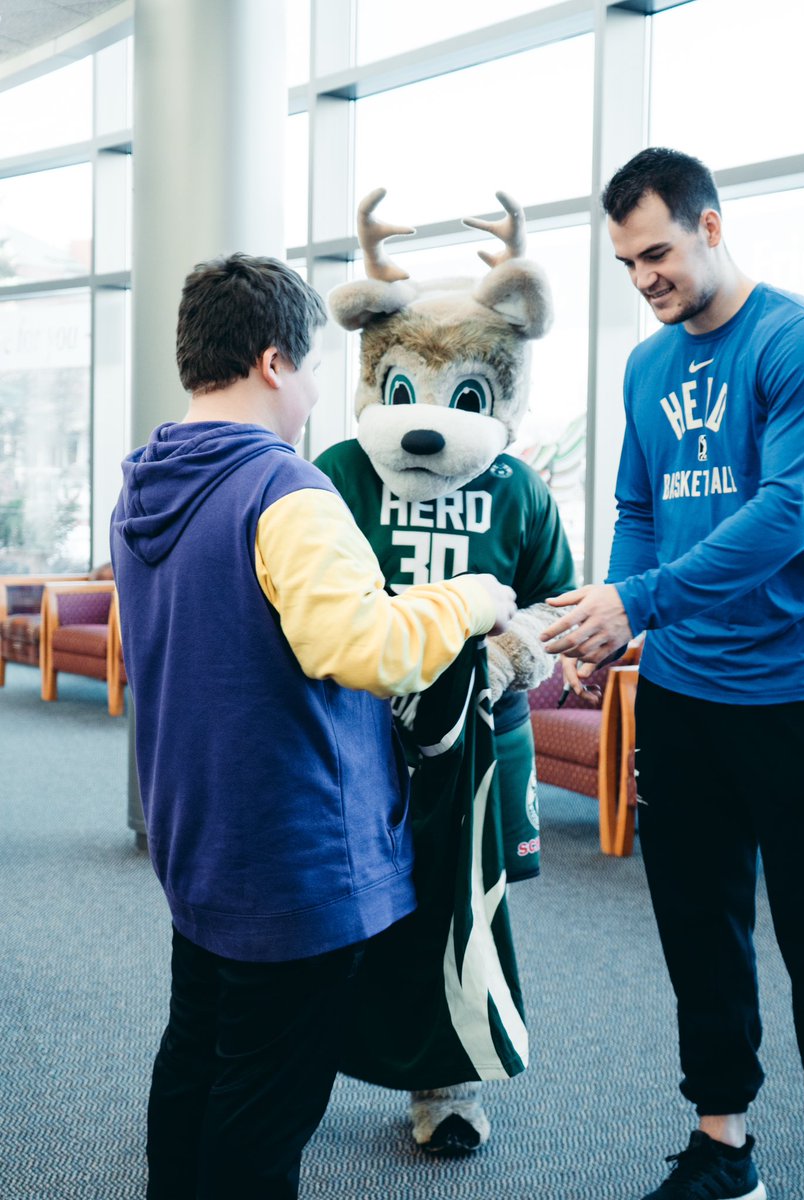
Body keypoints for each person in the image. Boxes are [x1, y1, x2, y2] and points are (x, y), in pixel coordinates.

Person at [109, 252, 516, 1200]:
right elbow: (364, 648)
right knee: (262, 1109)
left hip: (200, 840)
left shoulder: (146, 485)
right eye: (316, 367)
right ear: (273, 363)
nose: (318, 392)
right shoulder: (284, 491)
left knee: (198, 1060)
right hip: (294, 861)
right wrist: (470, 597)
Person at [540, 148, 804, 1200]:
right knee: (701, 931)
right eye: (626, 262)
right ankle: (723, 1146)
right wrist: (612, 624)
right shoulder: (647, 367)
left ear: (710, 225)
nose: (644, 277)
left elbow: (787, 514)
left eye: (656, 252)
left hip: (801, 689)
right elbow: (639, 509)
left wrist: (638, 603)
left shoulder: (803, 343)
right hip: (684, 693)